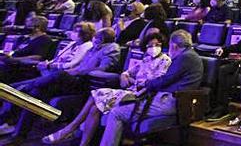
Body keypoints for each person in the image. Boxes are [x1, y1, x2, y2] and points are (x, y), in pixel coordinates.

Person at [41, 33, 172, 145]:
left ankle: (68, 129)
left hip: (141, 96)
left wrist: (132, 80)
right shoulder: (146, 59)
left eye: (157, 44)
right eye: (150, 45)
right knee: (94, 108)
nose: (153, 48)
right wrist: (124, 75)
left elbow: (153, 82)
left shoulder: (165, 60)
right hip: (130, 92)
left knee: (96, 97)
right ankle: (82, 142)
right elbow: (128, 72)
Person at [0, 28, 120, 144]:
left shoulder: (111, 48)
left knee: (59, 74)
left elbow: (103, 69)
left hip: (85, 83)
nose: (95, 39)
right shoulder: (94, 48)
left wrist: (77, 72)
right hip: (73, 78)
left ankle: (25, 86)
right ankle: (19, 135)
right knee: (35, 94)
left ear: (105, 38)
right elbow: (78, 66)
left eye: (99, 37)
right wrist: (74, 70)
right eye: (96, 37)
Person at [97, 30, 203, 146]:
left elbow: (164, 80)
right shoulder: (190, 55)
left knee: (117, 112)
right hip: (170, 99)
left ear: (174, 45)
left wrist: (147, 83)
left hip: (170, 101)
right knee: (116, 106)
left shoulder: (185, 57)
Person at [0, 16, 53, 82]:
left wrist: (14, 59)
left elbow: (37, 57)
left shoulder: (45, 40)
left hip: (22, 67)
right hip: (12, 61)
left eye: (29, 26)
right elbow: (18, 50)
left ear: (38, 28)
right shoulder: (27, 38)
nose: (26, 28)